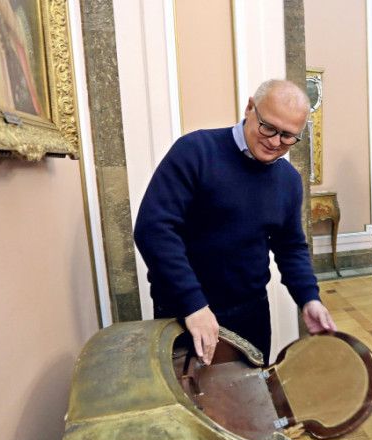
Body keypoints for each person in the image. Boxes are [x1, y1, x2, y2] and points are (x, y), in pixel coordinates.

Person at [134, 79, 337, 368]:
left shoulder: (289, 179)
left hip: (250, 312)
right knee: (189, 394)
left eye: (288, 136)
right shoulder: (195, 151)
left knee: (251, 391)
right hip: (184, 312)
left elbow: (290, 246)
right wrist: (193, 304)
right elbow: (154, 230)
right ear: (250, 108)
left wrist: (309, 298)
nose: (275, 142)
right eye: (268, 128)